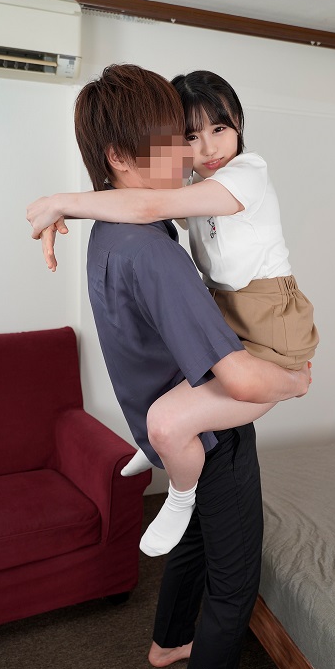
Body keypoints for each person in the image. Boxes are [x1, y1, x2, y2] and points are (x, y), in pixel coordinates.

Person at [27, 69, 317, 559]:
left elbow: (149, 205)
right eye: (189, 136)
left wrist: (61, 203)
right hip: (231, 318)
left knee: (170, 421)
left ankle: (178, 490)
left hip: (271, 324)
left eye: (219, 129)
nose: (204, 148)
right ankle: (161, 443)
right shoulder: (186, 196)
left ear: (239, 125)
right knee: (170, 420)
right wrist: (67, 210)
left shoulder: (246, 173)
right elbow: (141, 204)